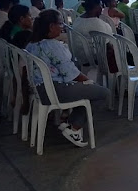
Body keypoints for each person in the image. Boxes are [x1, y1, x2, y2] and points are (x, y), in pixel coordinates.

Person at [26, 10, 109, 147]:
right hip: (56, 90)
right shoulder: (53, 46)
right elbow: (72, 74)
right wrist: (90, 83)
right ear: (51, 26)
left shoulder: (31, 44)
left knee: (88, 90)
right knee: (103, 92)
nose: (62, 27)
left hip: (40, 90)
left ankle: (69, 122)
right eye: (60, 24)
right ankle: (74, 127)